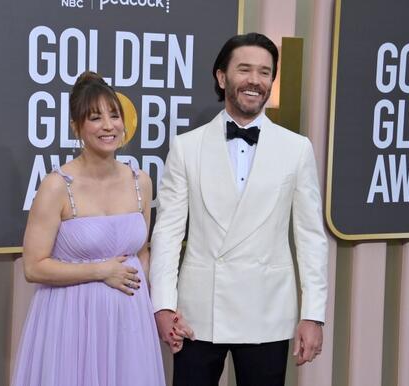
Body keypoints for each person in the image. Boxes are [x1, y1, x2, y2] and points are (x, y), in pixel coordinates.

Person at [149, 32, 329, 386]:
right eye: (244, 69)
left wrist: (313, 315)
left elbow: (310, 238)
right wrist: (163, 305)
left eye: (264, 72)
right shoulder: (187, 148)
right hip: (197, 312)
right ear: (222, 77)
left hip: (267, 312)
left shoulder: (296, 149)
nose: (254, 81)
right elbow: (168, 232)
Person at [12, 71, 165, 386]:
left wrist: (143, 302)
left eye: (114, 115)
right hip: (71, 323)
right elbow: (34, 267)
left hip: (128, 324)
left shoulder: (141, 182)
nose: (108, 126)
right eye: (95, 118)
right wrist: (100, 271)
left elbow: (142, 250)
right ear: (76, 127)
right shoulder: (57, 186)